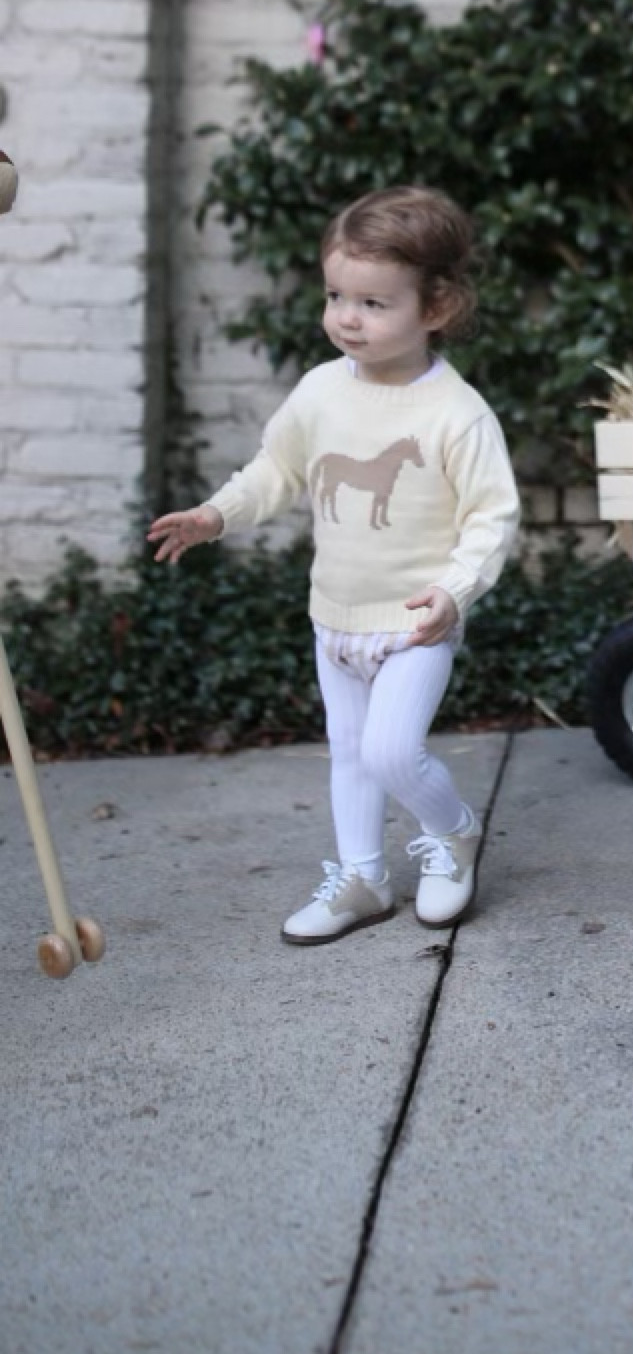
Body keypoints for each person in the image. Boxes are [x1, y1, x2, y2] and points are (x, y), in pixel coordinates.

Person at [149, 186, 520, 945]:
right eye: (336, 296)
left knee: (391, 751)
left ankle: (452, 832)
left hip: (415, 621)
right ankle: (363, 879)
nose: (347, 317)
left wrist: (454, 591)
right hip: (335, 618)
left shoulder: (456, 412)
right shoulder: (320, 391)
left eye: (375, 303)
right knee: (349, 756)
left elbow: (493, 515)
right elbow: (274, 470)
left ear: (437, 307)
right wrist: (216, 514)